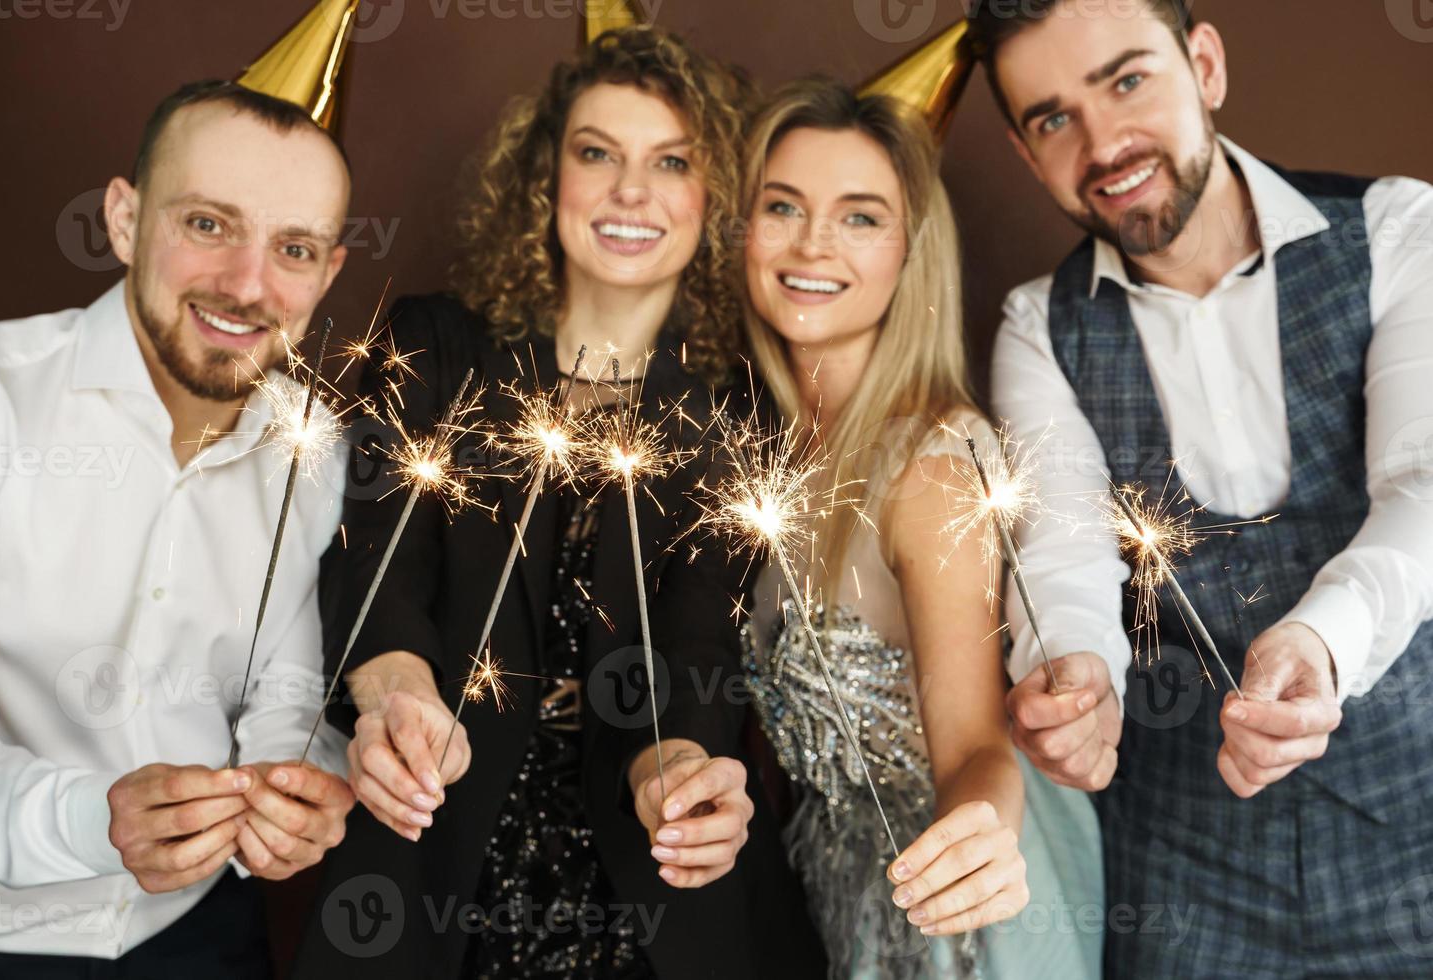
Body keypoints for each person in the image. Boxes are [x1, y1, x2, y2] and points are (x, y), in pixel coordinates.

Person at [293, 28, 825, 977]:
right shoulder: (436, 347)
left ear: (718, 200)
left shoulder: (739, 408)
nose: (632, 190)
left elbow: (698, 640)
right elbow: (378, 565)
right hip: (430, 853)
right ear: (547, 179)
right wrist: (397, 700)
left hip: (640, 871)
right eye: (597, 154)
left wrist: (679, 773)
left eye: (672, 161)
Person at [971, 0, 1433, 975]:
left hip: (1415, 813)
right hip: (1181, 865)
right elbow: (1060, 557)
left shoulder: (1398, 230)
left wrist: (1321, 637)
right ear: (1024, 151)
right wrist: (1075, 675)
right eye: (1054, 118)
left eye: (1127, 79)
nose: (1104, 142)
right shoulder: (1038, 326)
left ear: (1206, 66)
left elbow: (1425, 487)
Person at [0, 80, 356, 978]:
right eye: (208, 225)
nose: (247, 286)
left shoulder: (315, 448)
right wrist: (93, 819)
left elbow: (285, 693)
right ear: (125, 220)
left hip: (206, 932)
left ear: (329, 271)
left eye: (292, 247)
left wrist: (298, 783)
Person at [736, 78, 1102, 980]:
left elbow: (977, 743)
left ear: (911, 252)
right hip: (830, 885)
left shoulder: (928, 466)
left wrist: (975, 845)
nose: (813, 242)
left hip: (963, 906)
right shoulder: (763, 445)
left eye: (860, 217)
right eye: (784, 207)